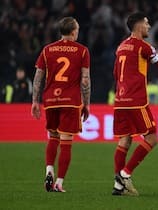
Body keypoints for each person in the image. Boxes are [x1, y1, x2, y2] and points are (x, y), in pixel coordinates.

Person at [112, 12, 158, 196]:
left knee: (124, 140)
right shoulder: (144, 47)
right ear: (139, 26)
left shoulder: (121, 47)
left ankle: (118, 187)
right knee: (152, 138)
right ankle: (125, 175)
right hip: (136, 101)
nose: (149, 27)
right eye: (147, 23)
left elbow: (115, 73)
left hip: (120, 100)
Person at [31, 17, 91, 192]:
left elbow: (38, 77)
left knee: (53, 137)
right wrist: (86, 104)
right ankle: (59, 183)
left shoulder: (47, 50)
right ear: (73, 31)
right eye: (77, 29)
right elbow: (85, 80)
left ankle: (49, 170)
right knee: (66, 141)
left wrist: (35, 101)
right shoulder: (82, 51)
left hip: (50, 100)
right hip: (70, 101)